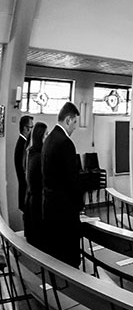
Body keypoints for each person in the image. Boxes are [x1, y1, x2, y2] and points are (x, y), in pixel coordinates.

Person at [42, 102, 83, 266]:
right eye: (74, 123)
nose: (74, 128)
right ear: (68, 120)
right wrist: (80, 205)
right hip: (64, 209)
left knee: (56, 255)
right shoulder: (65, 143)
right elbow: (72, 179)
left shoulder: (49, 139)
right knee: (69, 257)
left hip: (50, 206)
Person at [23, 122, 47, 249]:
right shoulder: (38, 156)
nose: (47, 138)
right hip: (36, 200)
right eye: (46, 135)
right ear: (40, 136)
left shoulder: (30, 152)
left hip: (31, 198)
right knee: (38, 241)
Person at [15, 115, 32, 216]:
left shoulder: (22, 143)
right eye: (31, 127)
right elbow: (25, 169)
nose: (32, 130)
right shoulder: (22, 145)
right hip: (25, 191)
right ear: (25, 128)